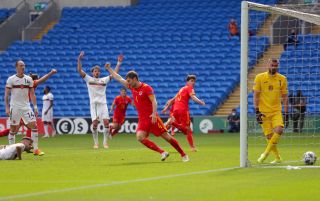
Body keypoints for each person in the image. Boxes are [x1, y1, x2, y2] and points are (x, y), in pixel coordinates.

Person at [105, 66, 189, 162]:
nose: (127, 83)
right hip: (142, 119)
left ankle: (183, 154)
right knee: (140, 137)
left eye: (129, 81)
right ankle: (162, 152)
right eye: (127, 81)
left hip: (152, 117)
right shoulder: (131, 87)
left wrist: (154, 114)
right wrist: (109, 69)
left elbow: (154, 102)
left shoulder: (146, 88)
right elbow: (118, 78)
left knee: (167, 137)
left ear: (135, 79)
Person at [77, 51, 123, 149]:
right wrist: (79, 59)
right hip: (94, 105)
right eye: (95, 71)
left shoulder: (104, 80)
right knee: (95, 124)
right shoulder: (88, 79)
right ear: (92, 72)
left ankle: (105, 143)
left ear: (100, 72)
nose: (97, 72)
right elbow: (80, 70)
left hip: (103, 104)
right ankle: (96, 143)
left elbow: (114, 74)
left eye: (98, 71)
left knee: (106, 123)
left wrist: (118, 63)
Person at [0, 69, 57, 139]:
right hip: (21, 108)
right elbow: (42, 80)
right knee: (26, 127)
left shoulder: (26, 82)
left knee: (17, 129)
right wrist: (51, 73)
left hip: (21, 107)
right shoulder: (32, 83)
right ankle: (27, 142)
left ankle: (27, 142)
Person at [4, 60, 44, 156]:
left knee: (34, 126)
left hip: (26, 107)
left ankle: (36, 150)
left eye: (24, 65)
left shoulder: (28, 79)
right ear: (16, 67)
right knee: (13, 130)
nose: (23, 67)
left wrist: (35, 107)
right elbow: (6, 95)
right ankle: (12, 151)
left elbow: (32, 94)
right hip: (15, 108)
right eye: (21, 65)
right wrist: (7, 108)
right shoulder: (11, 79)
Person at [253, 58, 289, 164]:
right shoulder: (259, 77)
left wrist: (286, 113)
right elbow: (256, 95)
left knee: (279, 130)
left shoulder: (282, 79)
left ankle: (265, 154)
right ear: (267, 65)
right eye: (272, 65)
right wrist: (257, 111)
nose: (274, 67)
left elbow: (285, 97)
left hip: (276, 111)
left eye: (276, 65)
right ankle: (278, 158)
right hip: (263, 112)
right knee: (269, 137)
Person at [163, 75, 205, 152]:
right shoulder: (189, 88)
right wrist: (200, 102)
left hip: (176, 109)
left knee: (183, 130)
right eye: (191, 81)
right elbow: (193, 97)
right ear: (187, 82)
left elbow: (173, 99)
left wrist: (166, 107)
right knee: (187, 130)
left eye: (194, 81)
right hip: (183, 110)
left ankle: (170, 124)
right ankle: (192, 147)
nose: (193, 83)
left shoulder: (181, 89)